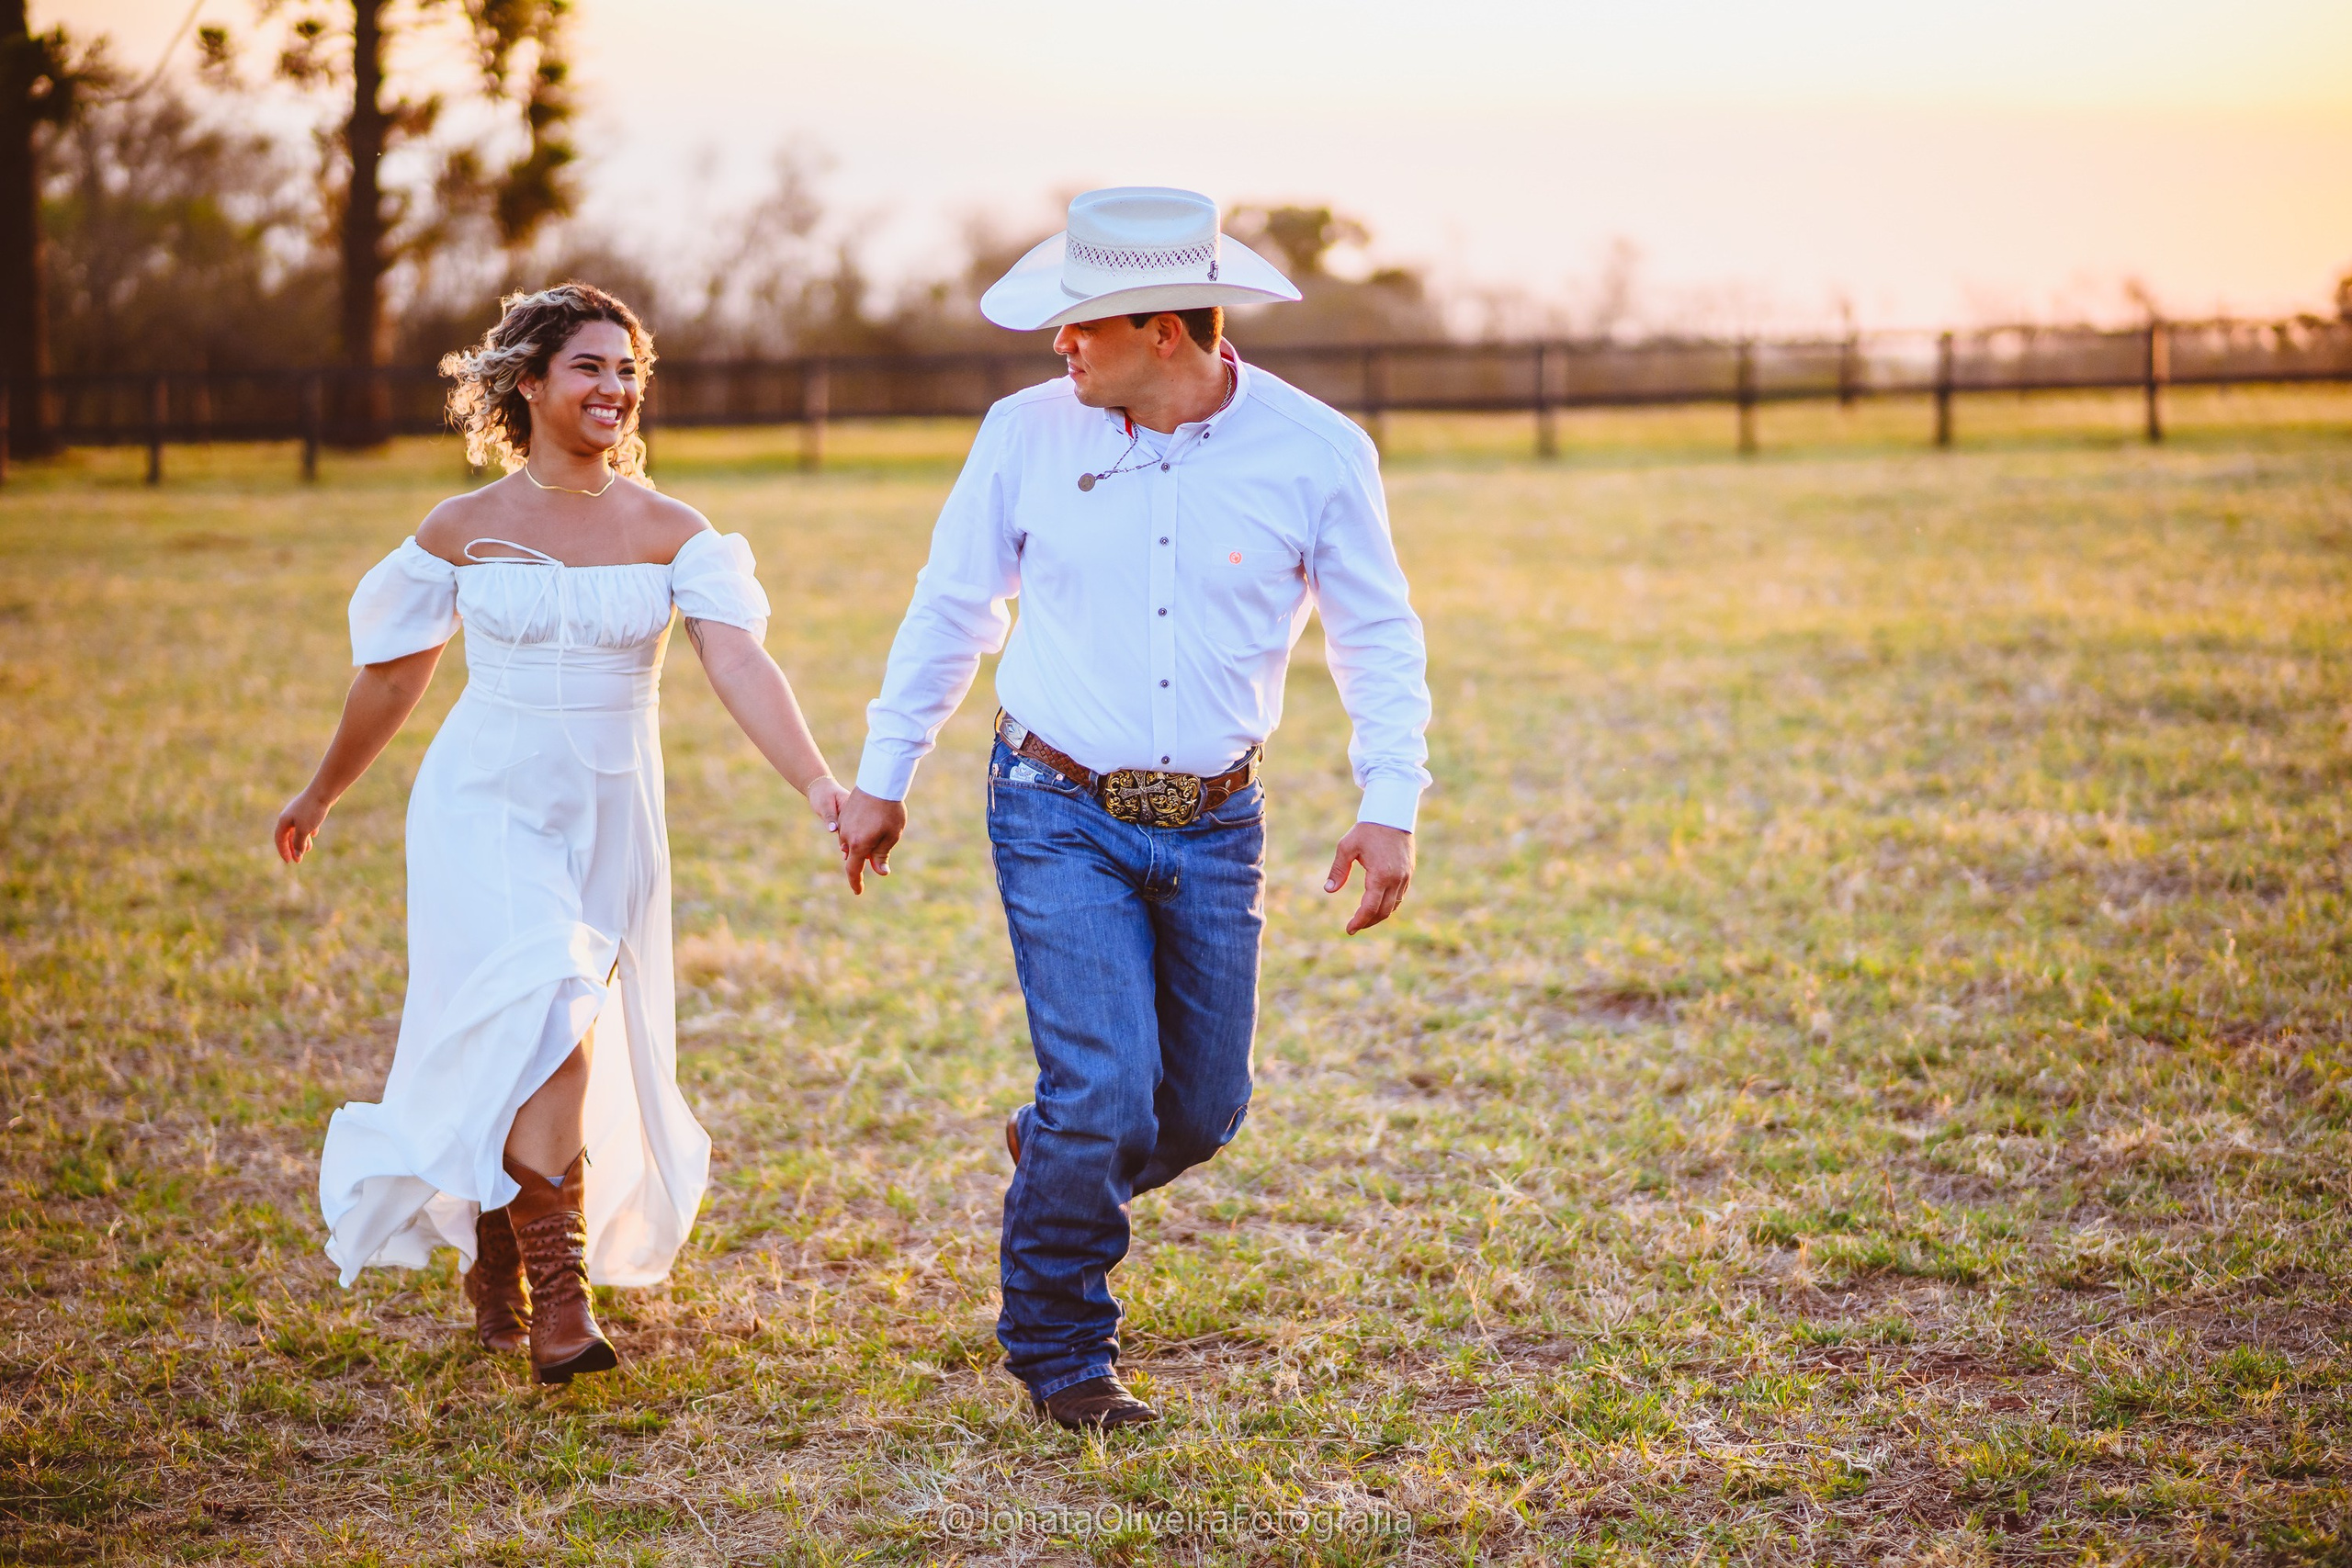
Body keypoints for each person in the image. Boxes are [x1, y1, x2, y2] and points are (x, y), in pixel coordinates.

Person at [834, 187, 1431, 1430]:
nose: (1059, 346)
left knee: (1202, 1111)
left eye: (1081, 326)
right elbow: (955, 608)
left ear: (1166, 328)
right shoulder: (1022, 434)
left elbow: (1376, 631)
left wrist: (1392, 797)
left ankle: (1056, 1150)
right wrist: (885, 772)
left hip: (1219, 821)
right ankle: (1062, 1350)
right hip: (1055, 800)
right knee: (1103, 1086)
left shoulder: (1319, 451)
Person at [275, 283, 847, 1384]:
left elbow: (739, 663)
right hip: (484, 800)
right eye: (589, 367)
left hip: (612, 810)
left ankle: (497, 1251)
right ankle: (562, 1304)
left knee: (551, 1028)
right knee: (549, 998)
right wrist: (320, 793)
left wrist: (819, 785)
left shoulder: (674, 531)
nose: (616, 390)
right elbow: (392, 679)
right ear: (528, 383)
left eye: (629, 370)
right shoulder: (461, 528)